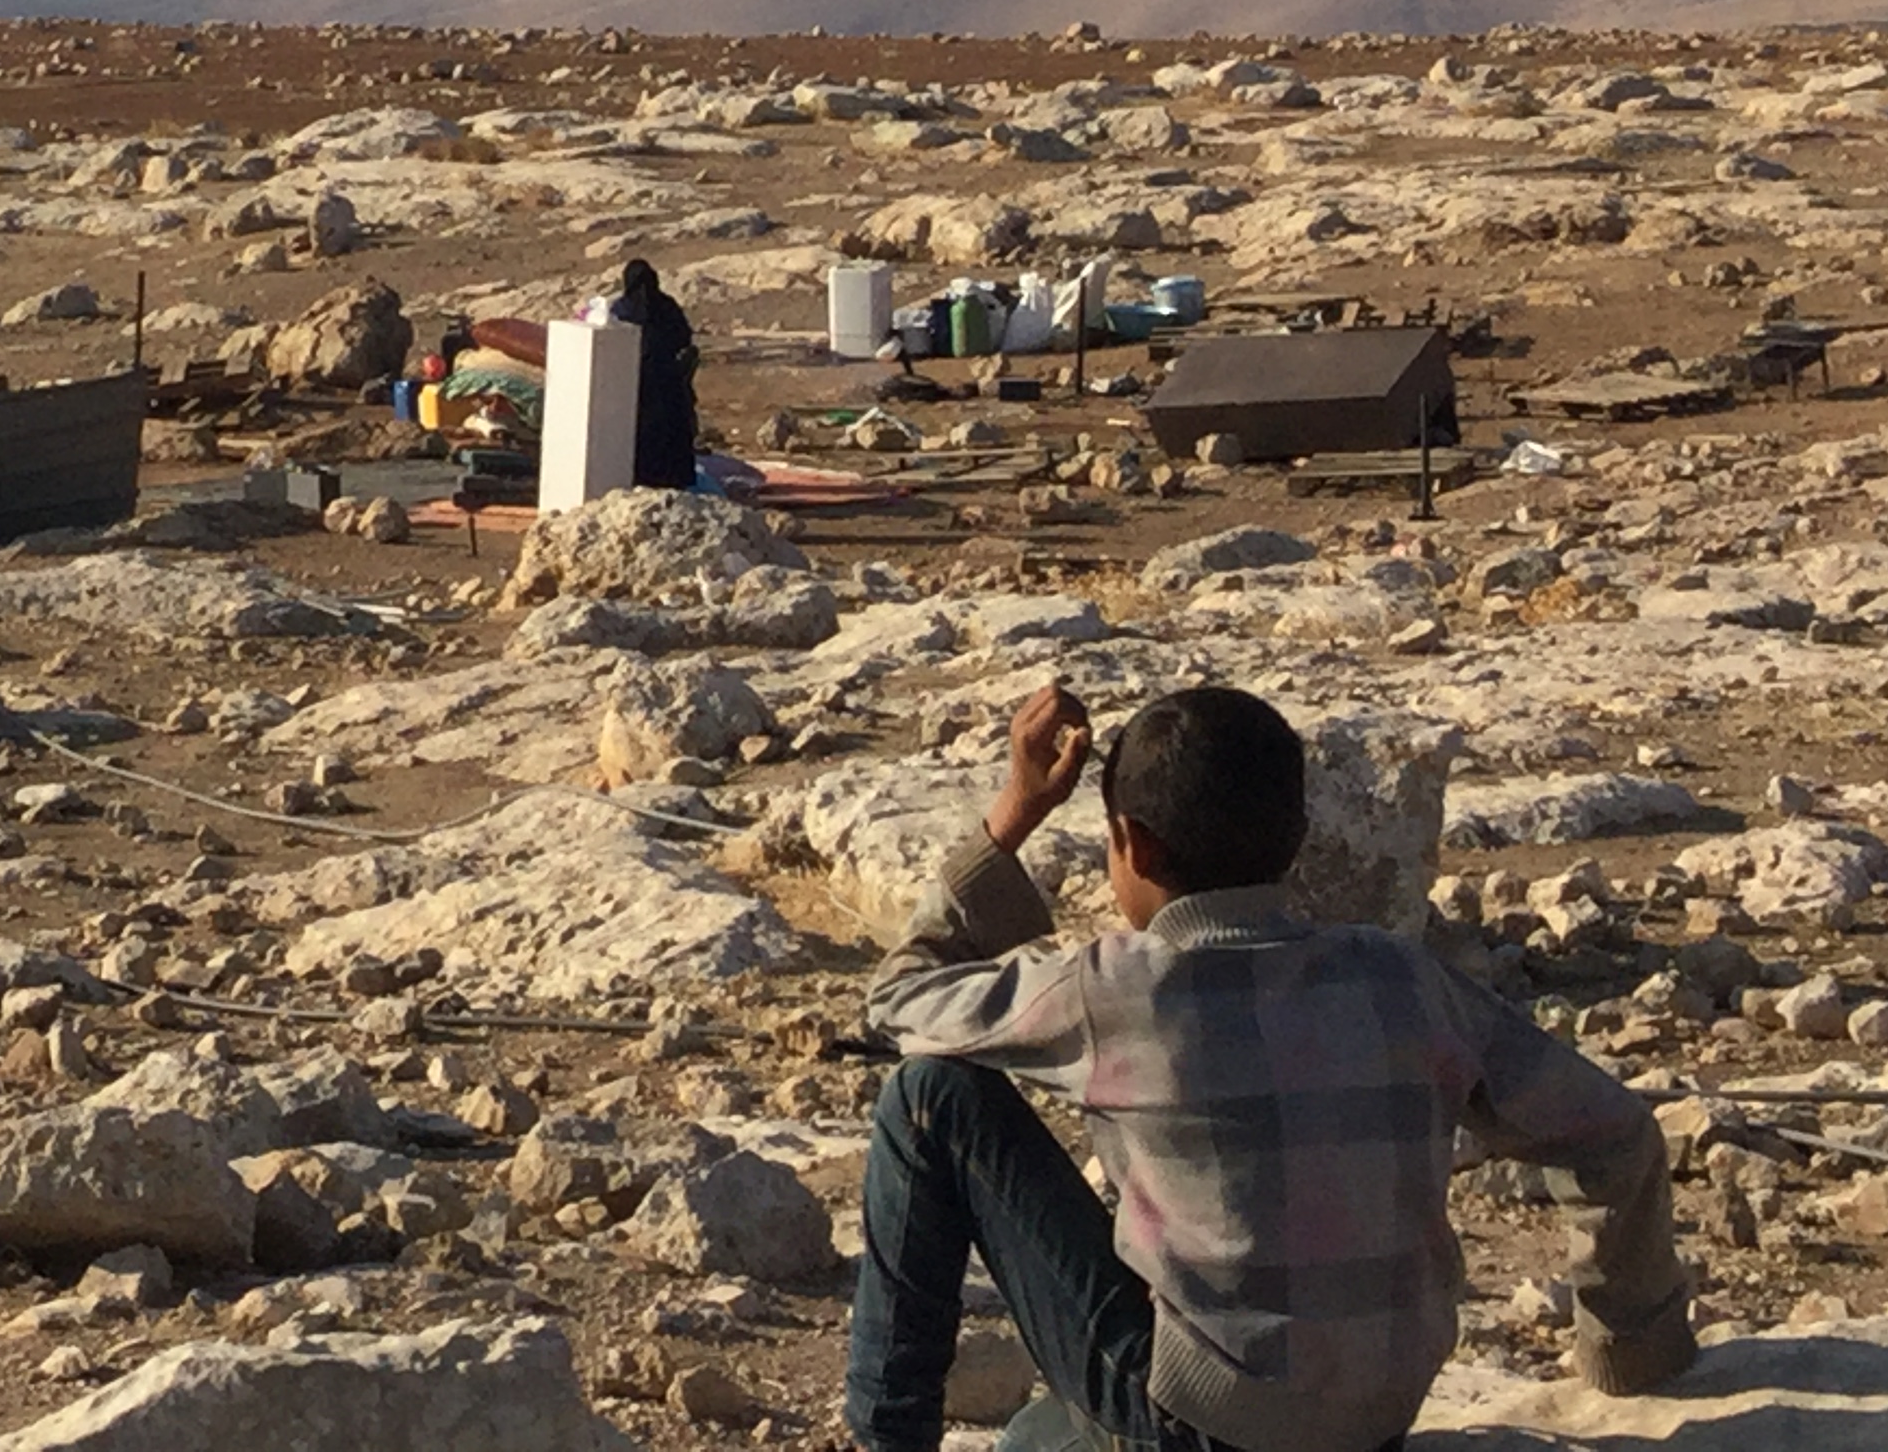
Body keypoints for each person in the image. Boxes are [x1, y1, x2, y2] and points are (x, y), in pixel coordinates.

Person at [848, 681, 1692, 1452]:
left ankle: (885, 1438)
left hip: (1205, 1424)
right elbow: (1615, 1131)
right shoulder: (1399, 973)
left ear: (1131, 845)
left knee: (930, 1096)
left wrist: (1015, 812)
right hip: (1378, 1422)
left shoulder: (1118, 988)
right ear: (1297, 837)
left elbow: (898, 1001)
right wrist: (1627, 1346)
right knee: (1042, 1431)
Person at [616, 256, 700, 490]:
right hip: (669, 384)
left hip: (638, 386)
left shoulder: (623, 309)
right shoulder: (667, 306)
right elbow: (684, 338)